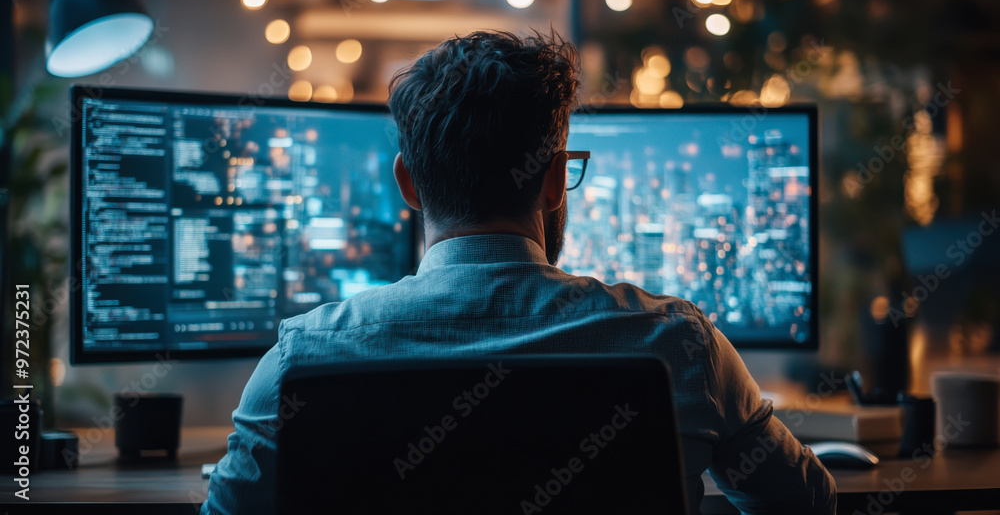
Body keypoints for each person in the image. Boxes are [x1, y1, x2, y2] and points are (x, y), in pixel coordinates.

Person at [202, 30, 836, 514]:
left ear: (409, 184)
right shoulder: (679, 343)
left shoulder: (305, 358)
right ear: (556, 179)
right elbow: (807, 504)